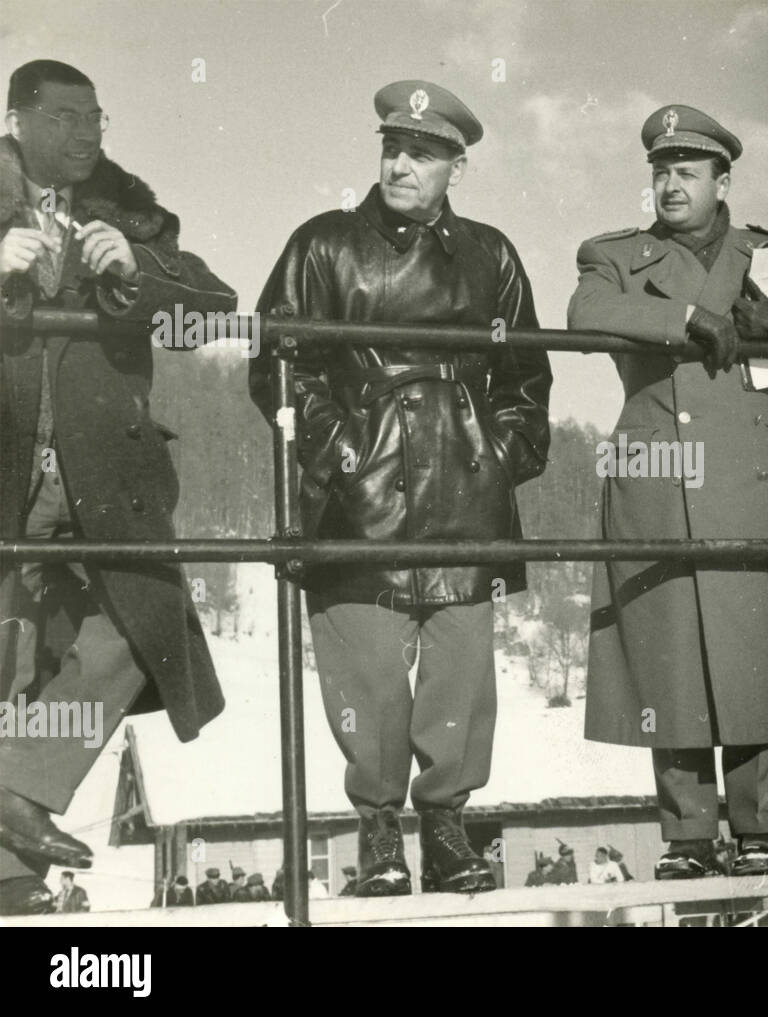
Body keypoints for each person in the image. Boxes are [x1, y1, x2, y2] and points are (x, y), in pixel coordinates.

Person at [249, 80, 551, 899]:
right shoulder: (322, 244)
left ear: (459, 163)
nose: (401, 163)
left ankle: (447, 826)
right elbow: (279, 364)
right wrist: (342, 453)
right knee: (369, 680)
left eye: (422, 151)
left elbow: (528, 378)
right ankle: (379, 832)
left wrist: (498, 454)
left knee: (459, 674)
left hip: (467, 497)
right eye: (392, 146)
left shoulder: (492, 254)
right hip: (359, 495)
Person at [569, 104, 768, 881]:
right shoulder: (615, 255)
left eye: (687, 171)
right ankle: (687, 838)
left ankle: (759, 829)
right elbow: (589, 310)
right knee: (667, 647)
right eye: (661, 172)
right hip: (657, 471)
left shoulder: (766, 255)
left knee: (752, 647)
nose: (671, 185)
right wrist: (689, 318)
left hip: (746, 470)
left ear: (722, 179)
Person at [0, 60, 235, 917]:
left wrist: (137, 269)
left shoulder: (129, 209)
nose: (87, 131)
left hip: (107, 482)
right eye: (65, 116)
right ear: (17, 120)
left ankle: (14, 782)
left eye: (96, 115)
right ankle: (14, 885)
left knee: (145, 621)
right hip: (9, 473)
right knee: (10, 666)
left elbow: (215, 307)